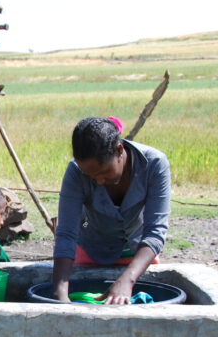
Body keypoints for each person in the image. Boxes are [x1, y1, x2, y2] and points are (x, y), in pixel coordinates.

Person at [51, 116, 171, 304]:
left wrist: (127, 280)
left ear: (119, 150)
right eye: (90, 176)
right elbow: (67, 233)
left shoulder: (154, 164)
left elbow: (155, 233)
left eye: (104, 172)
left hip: (138, 253)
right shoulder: (75, 171)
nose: (98, 181)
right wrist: (60, 294)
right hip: (91, 250)